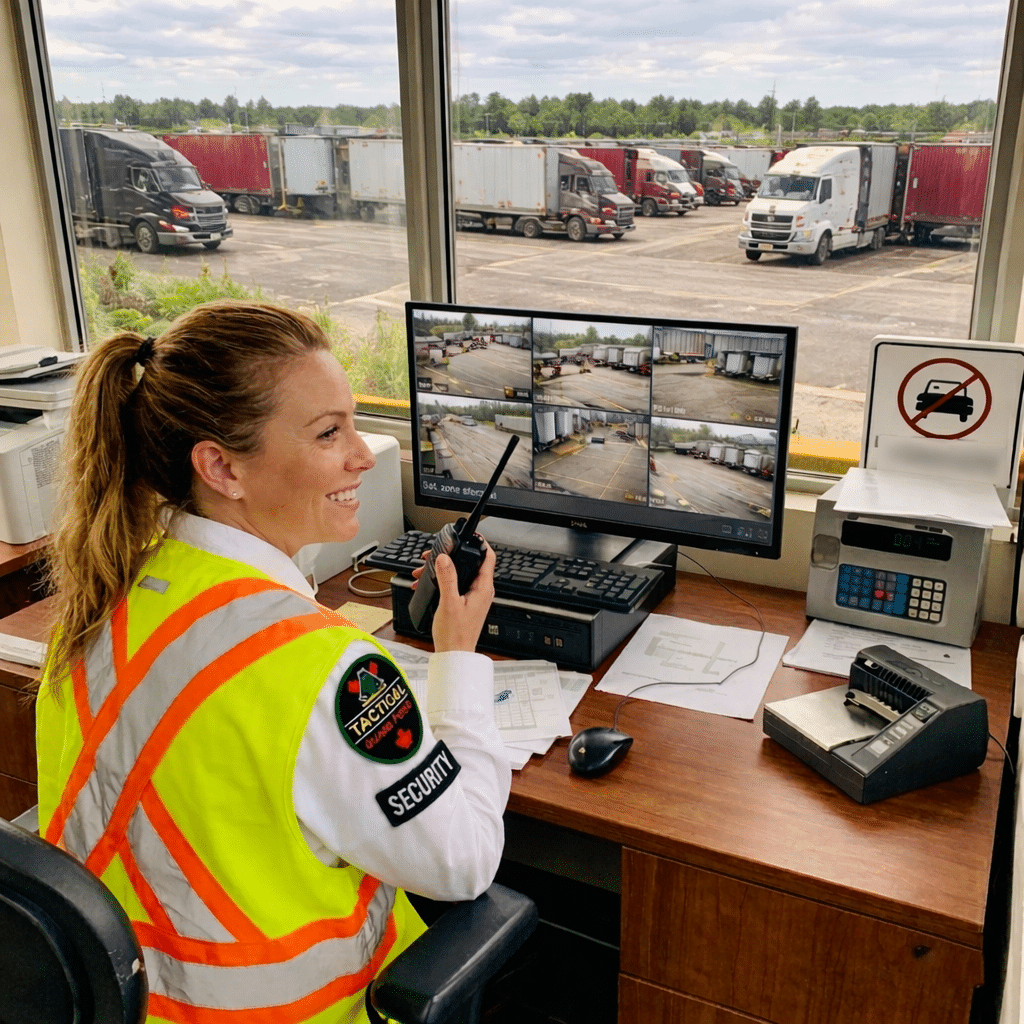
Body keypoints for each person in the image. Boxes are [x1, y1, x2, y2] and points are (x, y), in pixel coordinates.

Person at [35, 300, 511, 1024]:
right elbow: (466, 860)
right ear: (221, 466)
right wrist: (457, 660)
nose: (361, 453)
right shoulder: (325, 668)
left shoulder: (102, 598)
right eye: (329, 432)